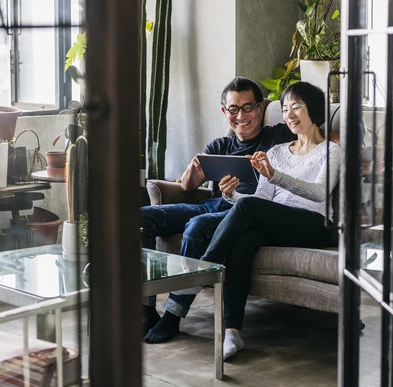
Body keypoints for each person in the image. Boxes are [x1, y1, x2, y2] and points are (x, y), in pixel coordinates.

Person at [149, 81, 341, 360]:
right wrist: (231, 196)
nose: (289, 114)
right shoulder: (276, 152)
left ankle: (204, 266)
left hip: (312, 224)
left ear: (314, 110)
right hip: (276, 223)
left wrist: (275, 176)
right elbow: (260, 198)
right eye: (285, 109)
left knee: (248, 212)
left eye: (296, 107)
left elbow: (319, 192)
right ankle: (232, 333)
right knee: (242, 243)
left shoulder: (330, 151)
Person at [141, 76, 297, 340]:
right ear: (225, 112)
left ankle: (173, 315)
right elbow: (189, 188)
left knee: (197, 226)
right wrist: (192, 168)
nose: (241, 115)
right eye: (233, 109)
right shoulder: (219, 146)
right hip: (211, 205)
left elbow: (317, 134)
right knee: (143, 217)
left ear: (260, 108)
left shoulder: (278, 136)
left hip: (244, 213)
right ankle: (145, 307)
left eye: (248, 107)